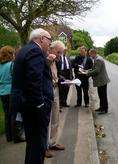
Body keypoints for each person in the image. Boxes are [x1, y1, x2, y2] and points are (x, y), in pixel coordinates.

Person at [11, 28, 54, 164]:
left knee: (32, 143)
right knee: (38, 145)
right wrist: (41, 105)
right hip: (35, 107)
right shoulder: (35, 51)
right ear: (41, 39)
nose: (50, 44)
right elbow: (34, 81)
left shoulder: (25, 50)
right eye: (49, 40)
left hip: (26, 105)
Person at [45, 41, 66, 158]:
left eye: (61, 53)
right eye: (58, 52)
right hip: (47, 92)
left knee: (55, 118)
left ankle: (52, 142)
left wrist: (63, 80)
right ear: (51, 49)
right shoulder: (45, 58)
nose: (59, 55)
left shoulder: (56, 60)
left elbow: (56, 75)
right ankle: (44, 147)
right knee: (46, 120)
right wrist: (48, 61)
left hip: (55, 89)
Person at [86, 48, 110, 114]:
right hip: (101, 80)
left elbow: (97, 70)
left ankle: (104, 109)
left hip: (101, 80)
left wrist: (88, 73)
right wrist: (89, 71)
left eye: (90, 55)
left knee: (103, 95)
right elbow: (95, 68)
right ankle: (102, 107)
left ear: (93, 53)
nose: (90, 56)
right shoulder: (98, 58)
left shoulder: (98, 60)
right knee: (101, 94)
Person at [0, 46, 15, 142]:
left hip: (2, 92)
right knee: (13, 113)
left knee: (6, 114)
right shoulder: (11, 65)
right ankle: (15, 135)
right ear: (10, 54)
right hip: (11, 91)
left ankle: (8, 136)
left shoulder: (0, 66)